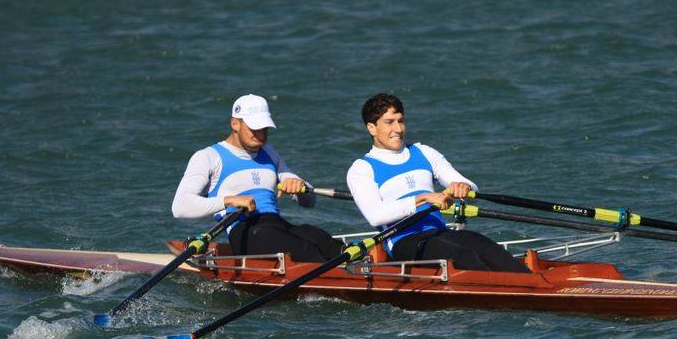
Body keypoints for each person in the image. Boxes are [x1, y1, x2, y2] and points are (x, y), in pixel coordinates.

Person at [346, 93, 529, 273]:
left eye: (401, 121)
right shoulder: (362, 169)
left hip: (439, 232)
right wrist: (424, 198)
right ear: (371, 128)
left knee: (485, 247)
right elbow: (376, 216)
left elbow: (470, 187)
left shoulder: (424, 152)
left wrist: (463, 187)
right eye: (389, 122)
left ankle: (534, 286)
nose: (399, 129)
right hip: (404, 242)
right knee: (463, 257)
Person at [172, 94, 342, 262]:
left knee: (320, 239)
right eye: (255, 128)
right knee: (304, 250)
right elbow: (180, 207)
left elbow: (309, 202)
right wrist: (230, 201)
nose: (261, 134)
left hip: (277, 225)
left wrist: (299, 186)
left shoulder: (270, 153)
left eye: (264, 128)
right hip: (246, 233)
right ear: (235, 124)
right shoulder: (209, 157)